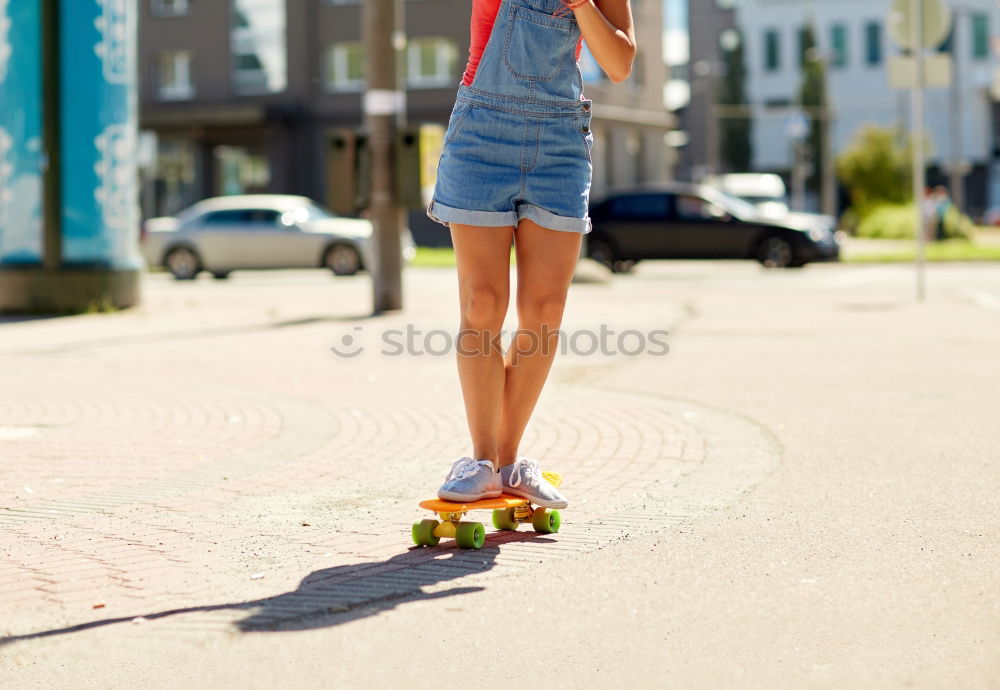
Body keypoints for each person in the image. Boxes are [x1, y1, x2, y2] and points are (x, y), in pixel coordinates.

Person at [426, 0, 636, 508]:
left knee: (544, 312)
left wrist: (583, 4)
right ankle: (481, 462)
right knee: (482, 303)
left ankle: (506, 460)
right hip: (481, 136)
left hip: (559, 144)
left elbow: (620, 63)